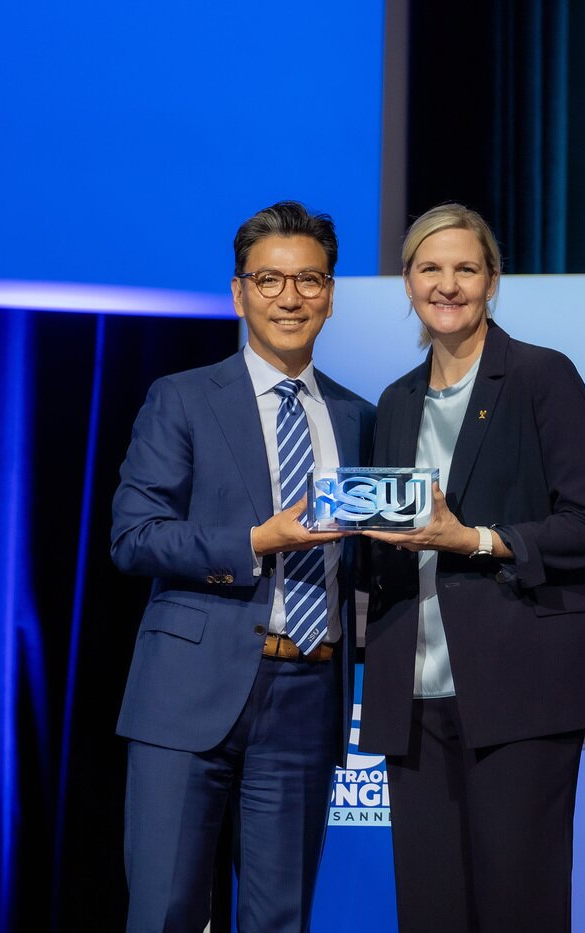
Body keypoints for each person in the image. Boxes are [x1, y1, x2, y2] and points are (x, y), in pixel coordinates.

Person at [358, 203, 585, 932]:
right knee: (431, 913)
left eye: (466, 268)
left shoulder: (542, 376)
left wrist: (474, 539)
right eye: (430, 268)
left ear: (492, 280)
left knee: (519, 908)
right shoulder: (395, 401)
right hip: (412, 699)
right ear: (408, 282)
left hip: (522, 691)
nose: (448, 285)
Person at [110, 200, 375, 932]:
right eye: (270, 280)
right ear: (238, 293)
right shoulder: (184, 398)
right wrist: (255, 538)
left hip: (306, 693)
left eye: (310, 281)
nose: (291, 298)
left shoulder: (359, 416)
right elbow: (135, 536)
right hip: (186, 692)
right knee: (164, 911)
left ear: (331, 293)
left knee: (279, 919)